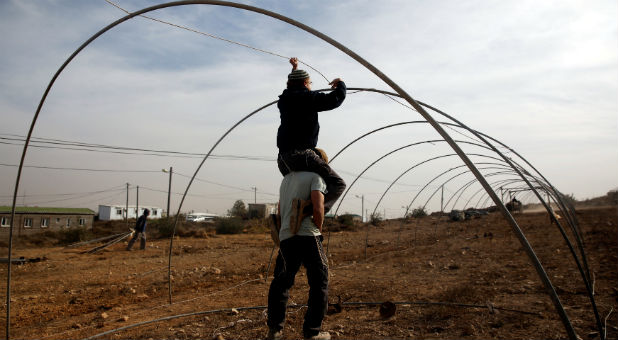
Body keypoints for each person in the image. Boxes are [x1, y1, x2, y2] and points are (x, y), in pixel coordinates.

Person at [276, 57, 347, 217]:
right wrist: (341, 84)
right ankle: (305, 213)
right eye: (309, 83)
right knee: (338, 184)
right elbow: (335, 99)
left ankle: (280, 219)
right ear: (305, 84)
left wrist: (294, 69)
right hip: (301, 155)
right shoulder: (308, 98)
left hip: (283, 160)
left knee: (297, 189)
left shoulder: (284, 100)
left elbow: (291, 88)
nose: (310, 86)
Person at [266, 166, 331, 340]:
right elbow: (318, 209)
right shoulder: (316, 177)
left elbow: (281, 211)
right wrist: (319, 227)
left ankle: (275, 330)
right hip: (308, 235)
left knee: (281, 282)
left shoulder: (286, 180)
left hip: (287, 236)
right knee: (319, 282)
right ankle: (312, 332)